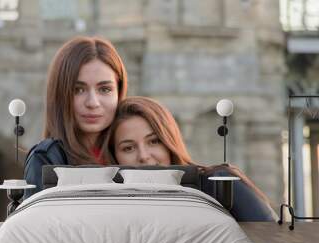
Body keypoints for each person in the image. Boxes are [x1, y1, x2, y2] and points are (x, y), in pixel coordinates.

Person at [103, 96, 277, 221]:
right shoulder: (113, 208)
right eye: (128, 148)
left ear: (169, 141)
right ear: (114, 156)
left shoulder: (218, 183)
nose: (143, 156)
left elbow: (273, 240)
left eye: (154, 141)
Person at [24, 36, 128, 198]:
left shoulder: (133, 151)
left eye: (105, 89)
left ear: (119, 92)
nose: (92, 103)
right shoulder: (47, 158)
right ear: (60, 95)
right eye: (78, 90)